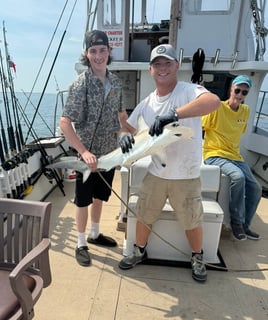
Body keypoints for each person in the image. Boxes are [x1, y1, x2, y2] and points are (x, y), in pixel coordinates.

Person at [117, 44, 220, 282]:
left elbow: (213, 102)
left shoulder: (189, 90)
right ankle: (139, 251)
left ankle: (197, 256)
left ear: (177, 65)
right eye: (157, 64)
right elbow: (128, 128)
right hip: (156, 172)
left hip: (185, 173)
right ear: (150, 69)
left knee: (191, 219)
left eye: (167, 63)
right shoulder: (146, 103)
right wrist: (123, 136)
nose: (162, 68)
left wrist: (174, 115)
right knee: (144, 214)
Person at [59, 30, 128, 266]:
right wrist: (84, 151)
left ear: (109, 51)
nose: (98, 56)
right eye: (93, 51)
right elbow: (65, 123)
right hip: (87, 158)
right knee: (82, 201)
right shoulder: (80, 85)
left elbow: (121, 115)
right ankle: (81, 242)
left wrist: (125, 135)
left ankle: (95, 234)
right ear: (87, 55)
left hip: (109, 155)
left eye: (102, 50)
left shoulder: (117, 82)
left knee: (100, 196)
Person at [202, 75, 262, 241]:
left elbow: (239, 133)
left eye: (244, 92)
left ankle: (245, 225)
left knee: (256, 189)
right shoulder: (217, 108)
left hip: (235, 156)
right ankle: (236, 222)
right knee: (238, 177)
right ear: (231, 90)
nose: (240, 94)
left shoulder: (246, 111)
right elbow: (202, 126)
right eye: (237, 90)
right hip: (214, 153)